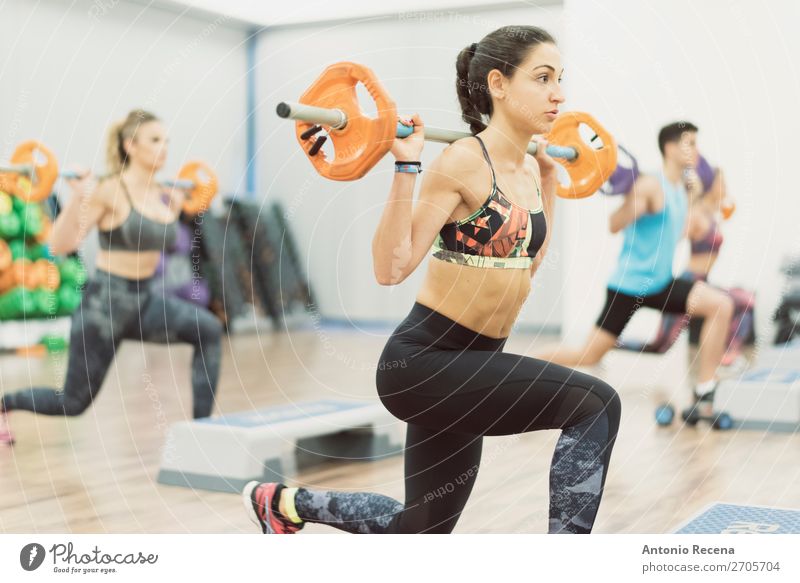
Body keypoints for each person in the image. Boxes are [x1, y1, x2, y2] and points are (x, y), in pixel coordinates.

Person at [242, 25, 621, 535]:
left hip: (474, 365)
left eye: (560, 79)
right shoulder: (463, 161)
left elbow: (525, 265)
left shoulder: (531, 170)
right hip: (424, 363)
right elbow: (390, 268)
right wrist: (407, 165)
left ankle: (284, 503)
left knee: (421, 528)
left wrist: (550, 182)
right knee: (596, 403)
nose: (559, 93)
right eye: (543, 77)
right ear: (499, 84)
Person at [0, 110, 222, 445]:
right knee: (72, 402)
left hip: (144, 300)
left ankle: (202, 435)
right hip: (103, 307)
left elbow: (158, 237)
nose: (164, 148)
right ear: (130, 145)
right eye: (155, 140)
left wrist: (177, 207)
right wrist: (79, 197)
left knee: (208, 329)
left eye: (167, 141)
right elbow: (58, 245)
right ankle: (4, 404)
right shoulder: (108, 190)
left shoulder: (159, 192)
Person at [537, 122, 734, 412]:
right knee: (588, 355)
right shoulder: (650, 185)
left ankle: (705, 387)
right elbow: (614, 224)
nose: (695, 150)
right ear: (670, 148)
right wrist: (638, 204)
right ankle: (526, 366)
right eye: (689, 143)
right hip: (628, 286)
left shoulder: (680, 189)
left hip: (661, 283)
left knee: (721, 305)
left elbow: (674, 233)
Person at [629, 165, 754, 366]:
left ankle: (728, 353)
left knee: (745, 300)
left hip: (704, 282)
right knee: (660, 346)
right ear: (710, 185)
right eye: (720, 183)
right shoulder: (696, 213)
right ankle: (610, 343)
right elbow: (674, 235)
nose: (724, 186)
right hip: (690, 281)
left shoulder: (711, 213)